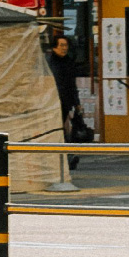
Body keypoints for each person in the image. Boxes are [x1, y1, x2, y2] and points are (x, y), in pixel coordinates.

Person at [46, 35, 84, 172]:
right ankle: (66, 156)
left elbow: (71, 85)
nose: (64, 48)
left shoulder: (68, 62)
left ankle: (67, 156)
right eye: (61, 45)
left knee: (61, 130)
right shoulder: (48, 62)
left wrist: (77, 103)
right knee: (56, 130)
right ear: (54, 47)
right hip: (51, 102)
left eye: (66, 45)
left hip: (65, 102)